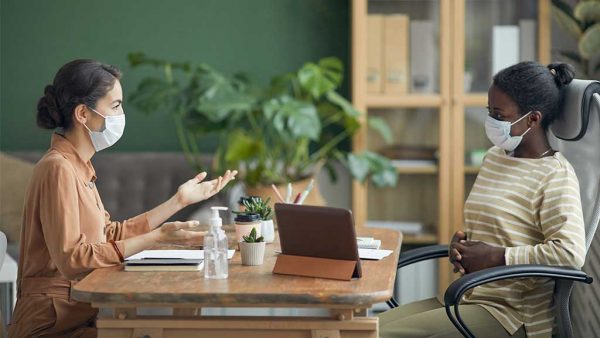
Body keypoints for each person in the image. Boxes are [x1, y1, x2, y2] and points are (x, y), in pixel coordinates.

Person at [7, 59, 238, 338]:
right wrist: (156, 238)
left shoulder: (79, 166)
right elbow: (73, 258)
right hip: (52, 324)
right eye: (115, 106)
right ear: (83, 113)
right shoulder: (57, 168)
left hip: (77, 313)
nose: (121, 114)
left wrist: (178, 202)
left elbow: (108, 234)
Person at [379, 61, 585, 338]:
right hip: (468, 295)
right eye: (489, 111)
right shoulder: (495, 158)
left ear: (532, 119)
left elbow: (570, 254)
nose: (491, 121)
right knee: (365, 329)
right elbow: (495, 228)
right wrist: (462, 248)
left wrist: (496, 257)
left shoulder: (555, 176)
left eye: (498, 114)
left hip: (511, 315)